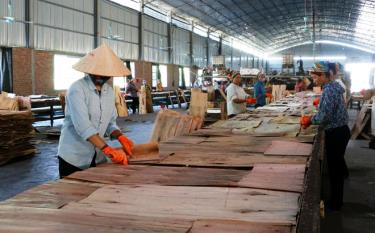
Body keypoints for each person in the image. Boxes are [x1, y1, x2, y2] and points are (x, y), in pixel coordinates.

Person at [57, 44, 134, 178]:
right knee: (72, 195)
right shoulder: (77, 89)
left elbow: (110, 123)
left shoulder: (109, 92)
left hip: (98, 157)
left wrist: (120, 136)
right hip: (74, 157)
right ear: (89, 69)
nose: (99, 74)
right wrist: (107, 149)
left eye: (103, 71)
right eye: (96, 71)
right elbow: (84, 127)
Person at [300, 61, 350, 211]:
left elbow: (325, 117)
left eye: (317, 75)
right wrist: (320, 105)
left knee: (335, 169)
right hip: (341, 130)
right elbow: (327, 110)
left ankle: (335, 204)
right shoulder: (333, 86)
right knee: (337, 166)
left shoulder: (329, 90)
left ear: (325, 75)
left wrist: (310, 120)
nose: (314, 78)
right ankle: (336, 198)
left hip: (336, 132)